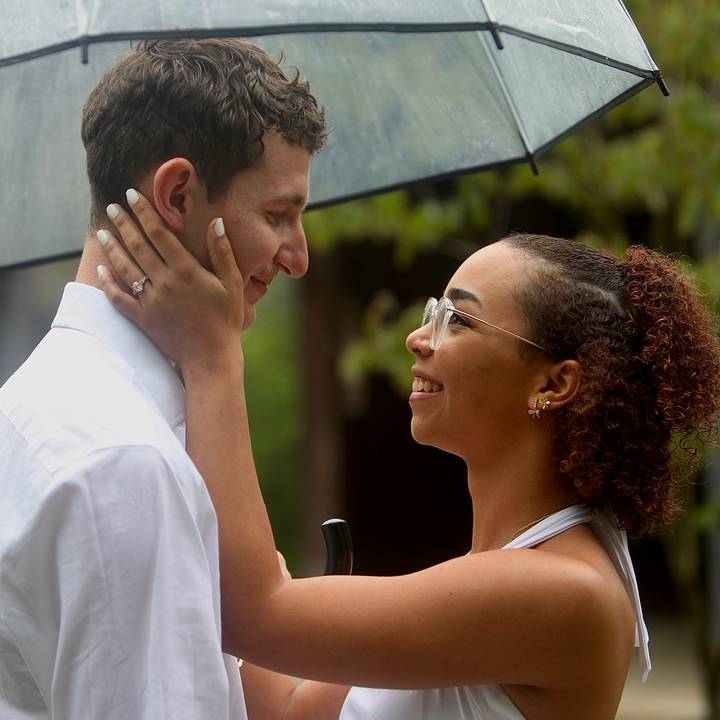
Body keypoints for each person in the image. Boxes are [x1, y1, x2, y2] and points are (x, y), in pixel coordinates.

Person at [95, 195, 720, 720]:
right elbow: (288, 709)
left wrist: (213, 354)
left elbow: (252, 615)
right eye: (433, 313)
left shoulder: (562, 591)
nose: (418, 339)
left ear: (554, 384)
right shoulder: (498, 573)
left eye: (460, 321)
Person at [0, 39, 326, 719]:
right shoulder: (124, 461)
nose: (298, 257)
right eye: (277, 215)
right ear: (178, 194)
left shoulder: (37, 405)